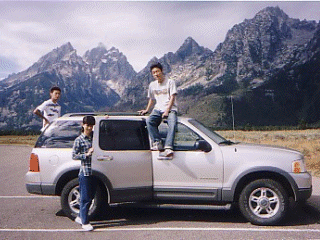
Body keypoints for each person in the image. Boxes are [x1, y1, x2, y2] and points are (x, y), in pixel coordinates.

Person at [139, 62, 178, 158]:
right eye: (154, 72)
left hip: (170, 108)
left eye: (157, 71)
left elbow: (172, 97)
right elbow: (151, 99)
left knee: (172, 124)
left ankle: (168, 147)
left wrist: (167, 111)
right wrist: (147, 110)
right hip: (158, 109)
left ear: (162, 71)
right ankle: (157, 142)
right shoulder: (152, 85)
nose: (156, 74)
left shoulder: (170, 82)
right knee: (149, 121)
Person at [72, 115, 96, 231]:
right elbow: (74, 155)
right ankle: (85, 222)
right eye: (87, 125)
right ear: (83, 125)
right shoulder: (79, 140)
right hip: (85, 172)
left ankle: (80, 216)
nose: (90, 128)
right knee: (85, 198)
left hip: (94, 171)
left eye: (91, 126)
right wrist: (86, 154)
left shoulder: (94, 138)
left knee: (91, 196)